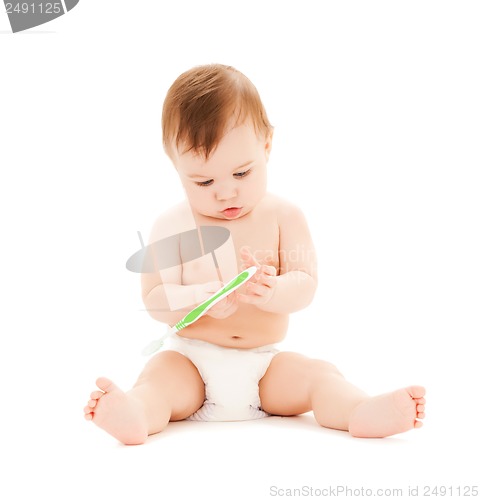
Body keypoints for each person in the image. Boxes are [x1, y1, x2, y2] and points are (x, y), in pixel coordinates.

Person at [83, 64, 426, 444]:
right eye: (204, 181)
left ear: (267, 147)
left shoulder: (284, 216)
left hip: (264, 366)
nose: (225, 193)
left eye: (242, 174)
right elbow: (155, 300)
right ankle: (137, 414)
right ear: (176, 166)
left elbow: (306, 283)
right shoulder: (173, 225)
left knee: (319, 376)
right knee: (159, 380)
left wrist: (273, 291)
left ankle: (358, 410)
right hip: (192, 360)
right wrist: (202, 297)